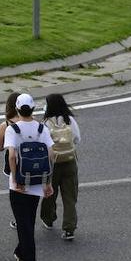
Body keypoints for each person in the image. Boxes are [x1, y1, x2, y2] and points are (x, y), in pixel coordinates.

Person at [4, 93, 53, 261]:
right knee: (28, 221)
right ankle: (22, 253)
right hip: (37, 182)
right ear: (33, 109)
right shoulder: (42, 128)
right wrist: (48, 182)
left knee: (23, 224)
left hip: (19, 183)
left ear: (17, 109)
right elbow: (51, 155)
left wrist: (16, 179)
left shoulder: (13, 129)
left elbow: (11, 156)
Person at [39, 93, 81, 241]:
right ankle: (69, 229)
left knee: (50, 192)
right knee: (70, 197)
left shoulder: (46, 123)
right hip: (69, 162)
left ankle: (48, 219)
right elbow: (77, 138)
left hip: (52, 164)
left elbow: (42, 144)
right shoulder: (70, 120)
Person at [0, 92, 21, 229]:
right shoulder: (31, 120)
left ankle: (19, 219)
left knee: (16, 191)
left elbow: (0, 147)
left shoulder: (5, 125)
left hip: (12, 162)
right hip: (29, 159)